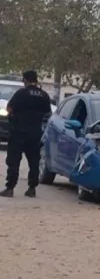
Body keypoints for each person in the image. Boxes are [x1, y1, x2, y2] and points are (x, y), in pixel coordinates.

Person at [0, 70, 52, 198]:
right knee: (34, 162)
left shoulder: (21, 93)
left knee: (14, 161)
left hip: (18, 132)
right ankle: (32, 188)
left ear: (25, 80)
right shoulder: (44, 95)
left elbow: (9, 108)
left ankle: (10, 188)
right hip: (35, 133)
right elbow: (47, 114)